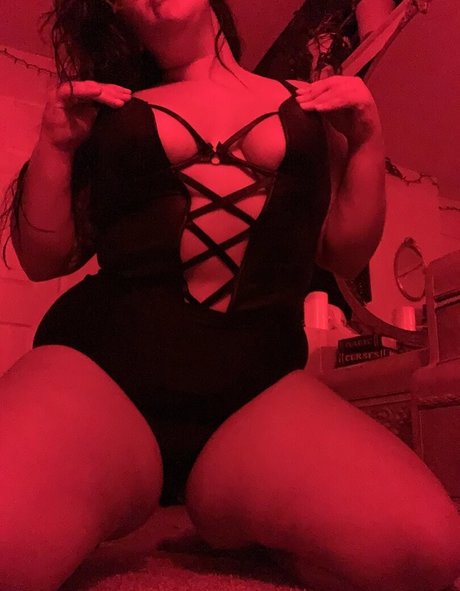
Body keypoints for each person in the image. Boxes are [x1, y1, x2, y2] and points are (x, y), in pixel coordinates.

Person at [1, 1, 460, 590]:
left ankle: (227, 513)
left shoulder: (312, 102)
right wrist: (56, 145)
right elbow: (44, 260)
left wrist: (368, 139)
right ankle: (109, 493)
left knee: (424, 553)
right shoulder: (110, 108)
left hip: (254, 391)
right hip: (104, 371)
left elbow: (344, 254)